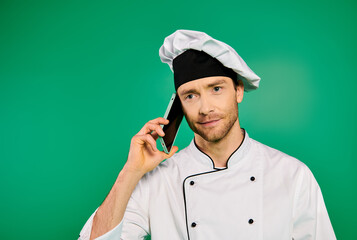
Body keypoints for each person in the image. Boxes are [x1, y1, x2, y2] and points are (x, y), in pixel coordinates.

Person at [79, 30, 336, 240]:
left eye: (216, 88)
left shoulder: (292, 175)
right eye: (190, 95)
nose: (205, 108)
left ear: (238, 91)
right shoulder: (159, 180)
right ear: (178, 105)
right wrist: (130, 172)